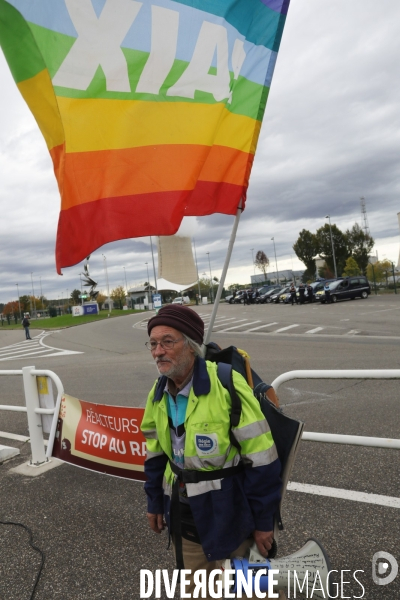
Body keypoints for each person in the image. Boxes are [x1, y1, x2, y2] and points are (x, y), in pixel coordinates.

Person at [141, 305, 282, 598]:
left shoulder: (226, 384)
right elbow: (155, 457)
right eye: (153, 343)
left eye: (168, 341)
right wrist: (155, 502)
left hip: (235, 517)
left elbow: (263, 460)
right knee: (199, 592)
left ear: (192, 346)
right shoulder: (157, 394)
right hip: (187, 519)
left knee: (255, 593)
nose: (158, 352)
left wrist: (264, 522)